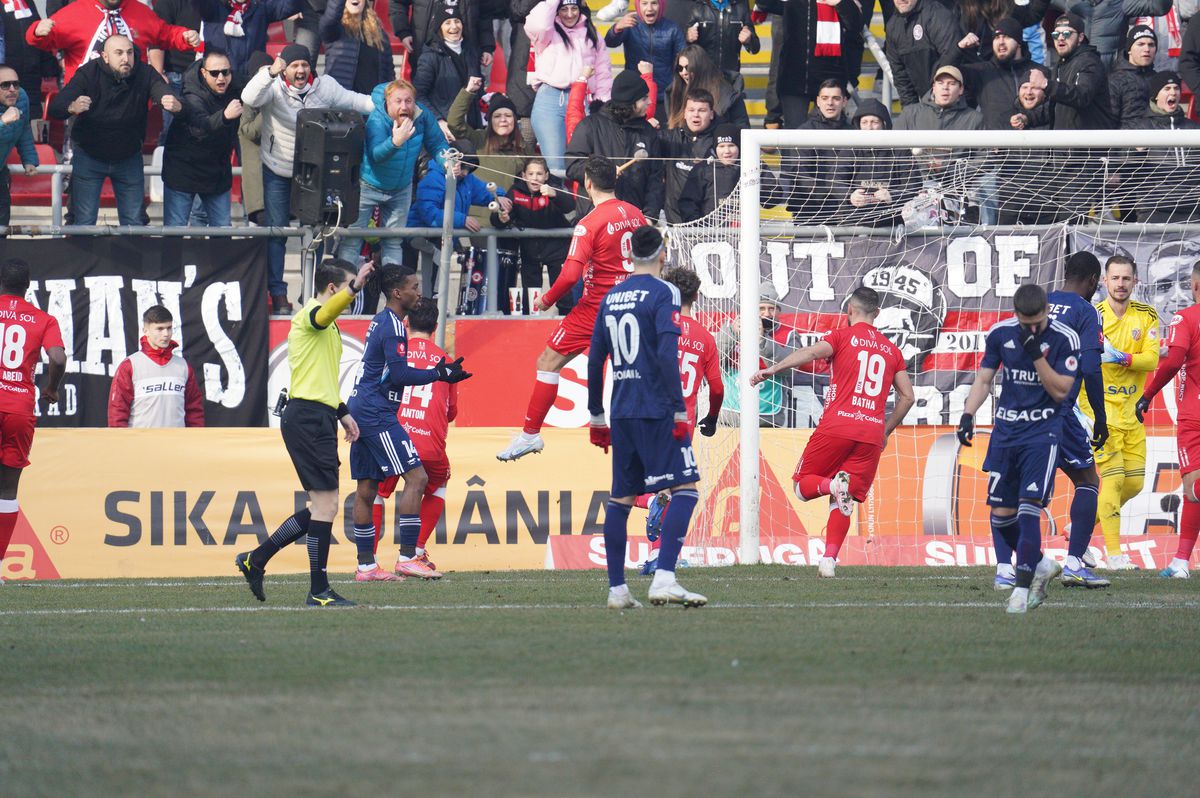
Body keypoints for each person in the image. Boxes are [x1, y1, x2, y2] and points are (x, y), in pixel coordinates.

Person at [235, 258, 374, 607]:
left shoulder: (327, 325)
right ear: (333, 289)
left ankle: (257, 559)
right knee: (325, 505)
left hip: (318, 415)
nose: (351, 296)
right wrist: (355, 287)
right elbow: (322, 316)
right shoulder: (311, 316)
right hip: (307, 418)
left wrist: (343, 413)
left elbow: (319, 376)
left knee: (321, 507)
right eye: (346, 288)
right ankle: (318, 591)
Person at [751, 286, 914, 579]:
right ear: (876, 314)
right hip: (871, 433)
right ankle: (829, 560)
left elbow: (813, 351)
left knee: (802, 487)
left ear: (849, 311)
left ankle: (831, 488)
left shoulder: (841, 336)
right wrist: (886, 430)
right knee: (845, 497)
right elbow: (908, 397)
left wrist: (773, 369)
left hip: (838, 425)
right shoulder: (892, 350)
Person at [587, 225, 707, 609]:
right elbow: (666, 354)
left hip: (621, 409)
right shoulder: (665, 291)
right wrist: (677, 409)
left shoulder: (612, 295)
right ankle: (665, 579)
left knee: (621, 499)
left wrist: (596, 415)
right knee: (686, 490)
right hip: (656, 407)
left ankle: (617, 590)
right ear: (662, 252)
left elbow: (594, 358)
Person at [496, 156, 646, 462]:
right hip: (634, 306)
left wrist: (546, 299)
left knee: (548, 362)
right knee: (630, 373)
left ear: (588, 183)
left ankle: (530, 436)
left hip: (597, 310)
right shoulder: (636, 215)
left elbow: (569, 276)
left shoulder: (588, 224)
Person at [957, 283, 1076, 613]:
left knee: (1028, 512)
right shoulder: (1000, 334)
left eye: (1037, 322)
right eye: (1025, 324)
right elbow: (984, 379)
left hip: (1042, 434)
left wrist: (1035, 351)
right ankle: (1039, 564)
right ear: (1016, 315)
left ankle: (1021, 593)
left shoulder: (1064, 338)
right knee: (1001, 517)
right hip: (1007, 433)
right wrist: (968, 414)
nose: (1032, 329)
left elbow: (1060, 392)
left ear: (1047, 311)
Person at [346, 265, 470, 581]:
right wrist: (439, 373)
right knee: (417, 477)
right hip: (376, 412)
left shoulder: (381, 321)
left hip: (361, 406)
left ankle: (366, 567)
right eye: (414, 286)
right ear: (398, 293)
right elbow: (400, 375)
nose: (418, 291)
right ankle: (407, 556)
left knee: (368, 487)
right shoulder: (393, 327)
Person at [241, 44, 374, 314]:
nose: (300, 70)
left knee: (315, 233)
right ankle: (278, 294)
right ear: (285, 69)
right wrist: (269, 72)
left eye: (304, 65)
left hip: (314, 172)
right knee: (277, 233)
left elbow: (356, 100)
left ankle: (311, 290)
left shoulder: (324, 86)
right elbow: (249, 97)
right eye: (294, 65)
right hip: (277, 169)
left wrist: (388, 102)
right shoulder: (273, 87)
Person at [637, 265, 724, 574]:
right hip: (681, 424)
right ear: (696, 296)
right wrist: (712, 418)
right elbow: (716, 388)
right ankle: (659, 554)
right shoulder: (705, 338)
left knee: (642, 485)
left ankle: (656, 554)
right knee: (678, 490)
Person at [47, 35, 183, 226]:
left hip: (128, 156)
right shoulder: (88, 72)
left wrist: (172, 102)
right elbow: (56, 108)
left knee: (134, 222)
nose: (125, 58)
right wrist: (72, 107)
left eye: (129, 52)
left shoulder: (145, 72)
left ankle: (134, 258)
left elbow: (165, 93)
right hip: (89, 156)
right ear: (105, 56)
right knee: (83, 222)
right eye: (118, 53)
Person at [1078, 255, 1159, 570]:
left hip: (1132, 414)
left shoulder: (1147, 316)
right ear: (1104, 281)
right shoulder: (1092, 316)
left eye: (1127, 279)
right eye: (1115, 278)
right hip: (1101, 414)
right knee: (1111, 482)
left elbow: (1151, 360)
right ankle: (1114, 555)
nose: (1121, 284)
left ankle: (1080, 531)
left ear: (1135, 281)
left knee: (1134, 484)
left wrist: (1121, 357)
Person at [1037, 253, 1110, 589]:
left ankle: (1012, 567)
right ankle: (1075, 564)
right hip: (1060, 411)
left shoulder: (1039, 301)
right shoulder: (1086, 312)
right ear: (1094, 280)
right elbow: (1092, 368)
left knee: (1026, 491)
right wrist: (1100, 417)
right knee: (1088, 481)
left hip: (1023, 410)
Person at [371, 296, 458, 571]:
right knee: (439, 482)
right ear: (435, 328)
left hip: (390, 436)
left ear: (406, 323)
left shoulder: (394, 352)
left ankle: (369, 559)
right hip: (428, 445)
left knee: (374, 492)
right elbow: (451, 412)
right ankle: (416, 550)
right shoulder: (447, 361)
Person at [338, 78, 450, 273]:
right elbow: (375, 156)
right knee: (352, 241)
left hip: (401, 188)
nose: (404, 106)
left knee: (393, 242)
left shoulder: (422, 116)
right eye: (398, 101)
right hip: (368, 186)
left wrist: (447, 161)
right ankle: (342, 294)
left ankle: (394, 295)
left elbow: (438, 144)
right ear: (388, 103)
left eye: (408, 101)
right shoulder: (377, 119)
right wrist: (395, 142)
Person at [0, 259, 66, 585]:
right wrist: (51, 389)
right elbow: (57, 357)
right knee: (7, 490)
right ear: (27, 286)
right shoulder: (43, 319)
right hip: (18, 407)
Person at [1136, 259, 1200, 580]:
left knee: (1194, 486)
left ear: (1194, 286)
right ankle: (1180, 561)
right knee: (1192, 492)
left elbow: (1174, 359)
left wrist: (1147, 395)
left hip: (1194, 417)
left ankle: (1180, 562)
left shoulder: (1185, 317)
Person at [524, 0, 612, 176]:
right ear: (556, 10)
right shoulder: (547, 32)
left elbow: (603, 70)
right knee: (555, 164)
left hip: (582, 98)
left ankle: (579, 201)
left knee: (583, 157)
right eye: (564, 9)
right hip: (550, 98)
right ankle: (559, 201)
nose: (570, 14)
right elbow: (538, 23)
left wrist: (602, 101)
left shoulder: (592, 33)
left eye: (574, 8)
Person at [565, 69, 664, 220]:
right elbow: (572, 165)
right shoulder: (590, 126)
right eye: (644, 98)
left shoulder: (649, 133)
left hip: (633, 219)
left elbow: (655, 181)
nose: (649, 102)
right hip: (595, 218)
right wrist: (604, 171)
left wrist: (650, 217)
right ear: (630, 103)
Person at [162, 50, 243, 228]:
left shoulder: (235, 87)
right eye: (214, 73)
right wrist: (225, 116)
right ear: (203, 73)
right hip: (183, 172)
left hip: (216, 172)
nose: (221, 78)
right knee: (174, 232)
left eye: (226, 72)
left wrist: (269, 73)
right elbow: (200, 127)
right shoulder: (191, 95)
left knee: (223, 232)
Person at [26, 0, 199, 83]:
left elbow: (164, 34)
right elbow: (45, 41)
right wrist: (37, 31)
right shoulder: (74, 12)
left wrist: (184, 36)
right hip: (86, 105)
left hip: (131, 105)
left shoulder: (140, 12)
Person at [754, 0, 863, 129]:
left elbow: (855, 26)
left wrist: (841, 3)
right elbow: (764, 3)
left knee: (829, 136)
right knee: (795, 140)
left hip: (829, 78)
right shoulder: (790, 3)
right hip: (793, 79)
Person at [492, 156, 576, 315]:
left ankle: (567, 327)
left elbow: (570, 206)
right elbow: (498, 218)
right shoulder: (516, 191)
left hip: (557, 251)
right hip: (529, 252)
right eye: (531, 174)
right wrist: (501, 218)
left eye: (539, 174)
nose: (535, 178)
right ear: (523, 175)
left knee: (564, 297)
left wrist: (555, 195)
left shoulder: (554, 186)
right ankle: (530, 331)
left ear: (546, 175)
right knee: (530, 301)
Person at [107, 305, 205, 428]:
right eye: (160, 329)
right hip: (141, 445)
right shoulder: (130, 365)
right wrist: (122, 443)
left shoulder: (183, 366)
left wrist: (195, 440)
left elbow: (194, 410)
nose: (166, 334)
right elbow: (117, 412)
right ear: (146, 331)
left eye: (169, 328)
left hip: (177, 445)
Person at [1022, 13, 1114, 130]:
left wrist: (1046, 84)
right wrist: (1027, 118)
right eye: (1056, 34)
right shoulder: (1060, 65)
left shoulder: (1090, 61)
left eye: (1067, 33)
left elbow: (1082, 96)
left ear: (1080, 37)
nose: (1060, 38)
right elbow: (1055, 108)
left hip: (1088, 145)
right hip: (1065, 144)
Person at [785, 78, 854, 224]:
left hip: (847, 210)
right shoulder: (803, 132)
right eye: (825, 98)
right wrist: (830, 195)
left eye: (836, 98)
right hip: (810, 210)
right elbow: (801, 173)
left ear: (844, 101)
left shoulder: (855, 133)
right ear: (818, 101)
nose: (830, 103)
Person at [947, 17, 1034, 131]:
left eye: (1006, 37)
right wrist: (959, 49)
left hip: (1030, 145)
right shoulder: (983, 72)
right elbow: (944, 72)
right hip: (995, 146)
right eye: (997, 38)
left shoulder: (1038, 71)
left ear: (1018, 42)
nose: (1001, 42)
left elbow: (1048, 111)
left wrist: (1028, 118)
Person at [603, 0, 684, 119]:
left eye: (654, 3)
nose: (649, 8)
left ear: (661, 6)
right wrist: (617, 28)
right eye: (644, 3)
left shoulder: (673, 28)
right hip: (635, 97)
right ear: (637, 5)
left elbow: (682, 56)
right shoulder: (630, 25)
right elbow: (610, 42)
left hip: (664, 96)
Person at [414, 3, 482, 141]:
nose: (454, 26)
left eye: (457, 21)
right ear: (439, 28)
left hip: (471, 129)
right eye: (447, 22)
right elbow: (418, 95)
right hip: (445, 131)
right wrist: (438, 121)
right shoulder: (430, 57)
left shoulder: (471, 52)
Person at [885, 0, 964, 110]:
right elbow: (900, 76)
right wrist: (910, 112)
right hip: (928, 102)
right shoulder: (892, 26)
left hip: (956, 101)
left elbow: (951, 62)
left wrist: (935, 99)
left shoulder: (938, 15)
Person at [203, 0, 303, 78]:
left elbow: (289, 7)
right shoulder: (213, 5)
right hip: (220, 78)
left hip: (251, 78)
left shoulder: (260, 6)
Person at [666, 44, 749, 129]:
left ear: (700, 67)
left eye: (688, 67)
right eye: (680, 68)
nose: (684, 72)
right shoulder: (674, 93)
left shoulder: (727, 94)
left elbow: (742, 128)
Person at [321, 0, 394, 94]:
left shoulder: (380, 34)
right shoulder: (335, 29)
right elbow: (331, 16)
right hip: (342, 101)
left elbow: (388, 72)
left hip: (372, 102)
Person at [0, 64, 38, 234]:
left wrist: (29, 159)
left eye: (16, 84)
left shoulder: (21, 97)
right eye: (5, 85)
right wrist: (2, 122)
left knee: (2, 222)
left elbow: (24, 129)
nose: (12, 89)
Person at [678, 121, 740, 222]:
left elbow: (770, 200)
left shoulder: (751, 166)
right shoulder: (702, 169)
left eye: (731, 145)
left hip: (745, 232)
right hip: (709, 234)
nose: (727, 151)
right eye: (721, 146)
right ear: (715, 148)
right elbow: (687, 203)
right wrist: (699, 229)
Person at [895, 65, 984, 131]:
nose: (945, 87)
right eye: (940, 83)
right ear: (934, 87)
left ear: (961, 89)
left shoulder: (975, 119)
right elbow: (895, 150)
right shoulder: (910, 114)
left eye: (951, 83)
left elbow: (982, 154)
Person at [686, 0, 759, 75]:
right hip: (704, 76)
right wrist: (688, 38)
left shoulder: (740, 7)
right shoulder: (697, 6)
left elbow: (755, 48)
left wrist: (749, 40)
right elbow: (682, 46)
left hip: (731, 77)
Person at [1109, 24, 1158, 129]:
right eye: (1140, 44)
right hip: (1126, 142)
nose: (1147, 49)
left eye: (1151, 45)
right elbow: (1108, 121)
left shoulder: (1159, 79)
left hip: (1158, 141)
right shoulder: (1114, 81)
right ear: (1129, 50)